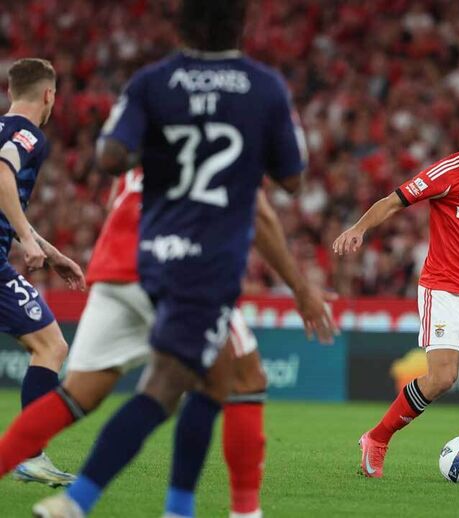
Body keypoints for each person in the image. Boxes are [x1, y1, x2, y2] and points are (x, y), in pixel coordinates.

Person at [29, 1, 309, 515]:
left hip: (151, 254)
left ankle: (112, 502)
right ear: (240, 25)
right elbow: (292, 178)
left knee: (186, 381)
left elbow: (109, 157)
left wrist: (158, 145)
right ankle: (97, 501)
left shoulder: (153, 82)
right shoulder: (264, 86)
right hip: (206, 264)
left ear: (181, 25)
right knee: (188, 386)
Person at [0, 167, 335, 518]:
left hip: (114, 264)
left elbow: (114, 171)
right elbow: (270, 200)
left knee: (85, 393)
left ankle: (76, 502)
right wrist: (300, 289)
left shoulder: (143, 120)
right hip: (175, 266)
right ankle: (233, 511)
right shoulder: (226, 124)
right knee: (242, 378)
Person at [333, 98, 459, 479]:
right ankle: (376, 438)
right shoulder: (447, 173)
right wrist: (359, 228)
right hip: (443, 289)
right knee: (442, 378)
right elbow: (394, 201)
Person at [0, 57, 87, 487]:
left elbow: (4, 200)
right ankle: (29, 455)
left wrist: (49, 252)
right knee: (51, 346)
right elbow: (1, 171)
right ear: (49, 95)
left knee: (49, 345)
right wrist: (28, 241)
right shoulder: (28, 135)